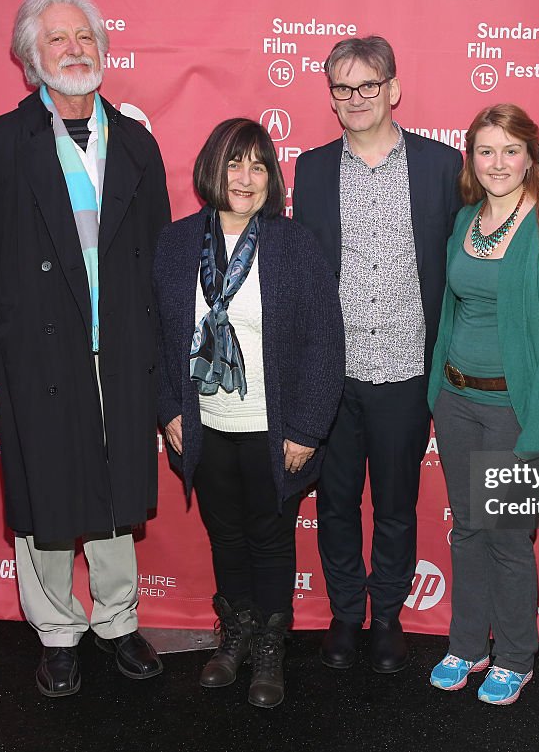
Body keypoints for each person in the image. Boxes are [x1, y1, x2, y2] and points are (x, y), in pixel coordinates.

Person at [0, 0, 170, 697]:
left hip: (122, 353)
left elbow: (160, 258)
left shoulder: (136, 141)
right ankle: (56, 631)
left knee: (113, 483)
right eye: (58, 40)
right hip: (35, 356)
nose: (75, 50)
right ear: (28, 59)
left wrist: (161, 362)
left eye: (84, 37)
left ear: (102, 48)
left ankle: (117, 619)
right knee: (45, 490)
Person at [153, 118, 344, 708]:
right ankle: (234, 635)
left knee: (269, 536)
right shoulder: (176, 242)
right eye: (234, 163)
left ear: (271, 179)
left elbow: (324, 341)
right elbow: (158, 338)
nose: (244, 177)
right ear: (213, 168)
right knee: (226, 536)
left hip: (273, 428)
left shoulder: (293, 245)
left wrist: (309, 427)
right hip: (205, 423)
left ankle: (269, 644)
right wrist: (168, 411)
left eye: (258, 166)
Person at [292, 35, 463, 673]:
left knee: (394, 502)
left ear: (393, 88)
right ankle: (344, 613)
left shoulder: (442, 167)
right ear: (331, 97)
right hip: (330, 376)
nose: (357, 98)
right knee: (334, 503)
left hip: (405, 373)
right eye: (344, 88)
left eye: (369, 85)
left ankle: (387, 616)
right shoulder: (309, 170)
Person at [426, 104, 539, 705]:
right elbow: (451, 313)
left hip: (518, 412)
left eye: (510, 150)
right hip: (457, 402)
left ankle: (516, 656)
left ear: (531, 156)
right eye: (486, 150)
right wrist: (434, 395)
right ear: (472, 158)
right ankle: (468, 645)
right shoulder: (466, 219)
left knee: (508, 535)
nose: (498, 163)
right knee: (468, 530)